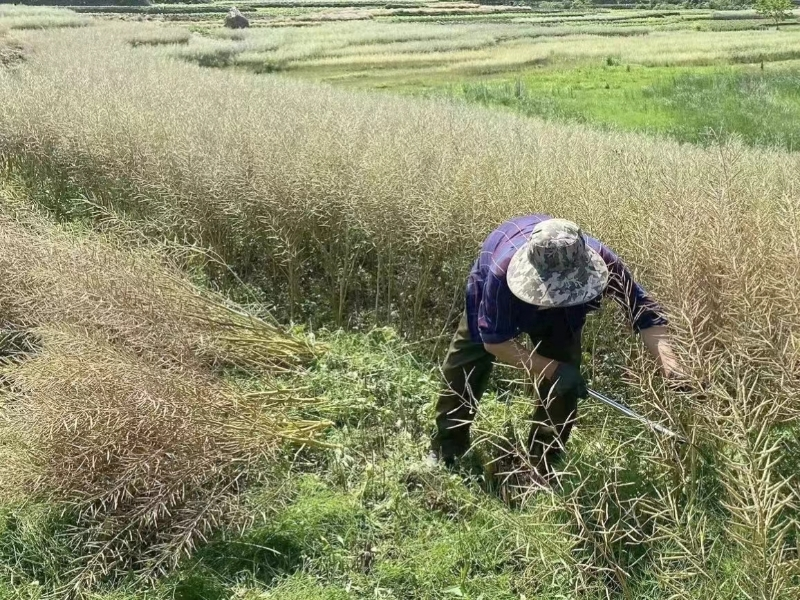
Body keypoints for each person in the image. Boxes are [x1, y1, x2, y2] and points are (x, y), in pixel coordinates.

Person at [429, 215, 685, 479]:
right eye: (549, 293)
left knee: (564, 387)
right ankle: (448, 448)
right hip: (500, 294)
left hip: (563, 321)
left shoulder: (605, 263)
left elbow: (645, 313)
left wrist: (670, 365)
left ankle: (541, 467)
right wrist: (551, 369)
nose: (554, 299)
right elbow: (494, 343)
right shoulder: (500, 274)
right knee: (465, 364)